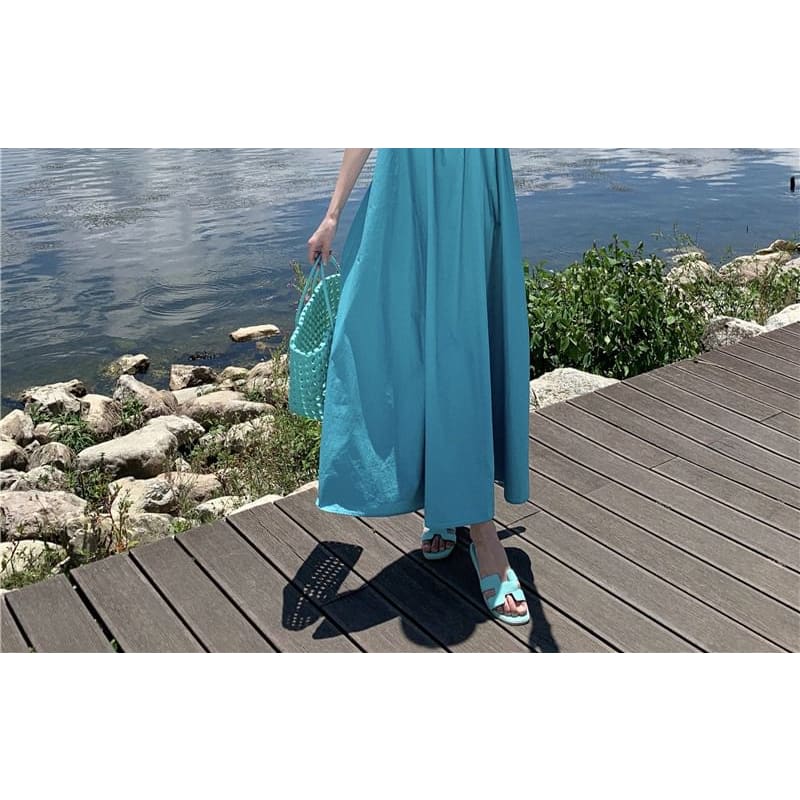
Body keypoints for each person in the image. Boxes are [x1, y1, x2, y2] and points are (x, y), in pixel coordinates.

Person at [306, 148, 530, 625]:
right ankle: (444, 504)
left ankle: (483, 533)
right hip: (406, 184)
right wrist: (332, 214)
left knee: (461, 350)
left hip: (472, 174)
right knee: (395, 344)